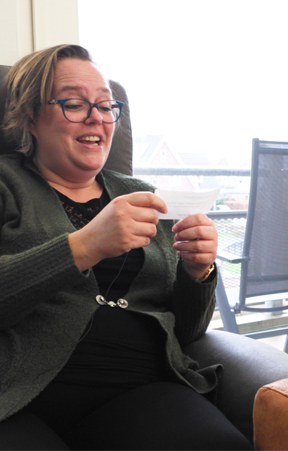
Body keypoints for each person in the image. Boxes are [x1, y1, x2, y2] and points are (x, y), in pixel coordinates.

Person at [0, 44, 253, 451]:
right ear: (30, 117)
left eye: (105, 105)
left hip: (139, 389)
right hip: (22, 394)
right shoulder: (7, 185)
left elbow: (187, 331)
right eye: (74, 104)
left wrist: (197, 273)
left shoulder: (141, 196)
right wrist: (82, 247)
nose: (96, 117)